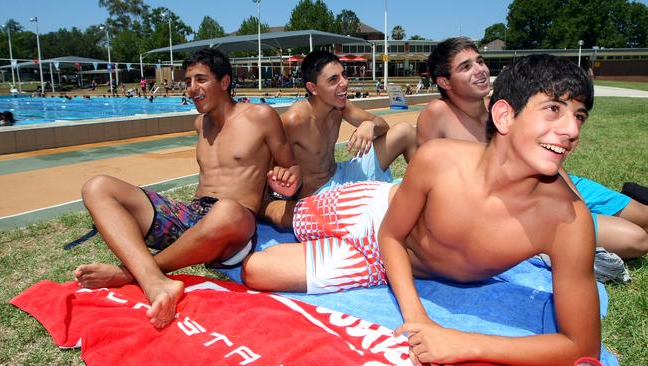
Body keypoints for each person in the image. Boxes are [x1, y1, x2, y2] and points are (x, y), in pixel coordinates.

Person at [243, 54, 601, 365]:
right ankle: (263, 205)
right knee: (288, 216)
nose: (571, 130)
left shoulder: (567, 221)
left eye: (579, 116)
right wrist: (419, 318)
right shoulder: (440, 159)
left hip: (380, 265)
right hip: (372, 212)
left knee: (258, 271)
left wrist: (463, 342)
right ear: (505, 116)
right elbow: (391, 233)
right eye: (554, 109)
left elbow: (581, 347)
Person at [73, 48, 301, 329]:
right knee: (97, 186)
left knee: (227, 209)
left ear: (225, 82)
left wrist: (285, 180)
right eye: (188, 81)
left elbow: (291, 167)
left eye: (201, 79)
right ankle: (155, 282)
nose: (192, 88)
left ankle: (130, 273)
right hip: (192, 217)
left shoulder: (260, 116)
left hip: (235, 224)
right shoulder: (200, 124)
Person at [417, 37, 648, 263]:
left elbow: (548, 152)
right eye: (466, 67)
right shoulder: (438, 113)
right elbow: (428, 182)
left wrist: (575, 201)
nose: (480, 70)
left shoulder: (501, 105)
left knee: (644, 218)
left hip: (554, 180)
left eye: (480, 61)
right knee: (637, 240)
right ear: (445, 82)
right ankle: (555, 250)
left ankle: (617, 203)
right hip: (520, 201)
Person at [259, 50, 416, 228]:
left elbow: (383, 125)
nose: (345, 82)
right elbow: (265, 167)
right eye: (333, 80)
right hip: (321, 193)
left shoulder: (340, 106)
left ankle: (425, 189)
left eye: (343, 75)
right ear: (313, 88)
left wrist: (370, 125)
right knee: (381, 205)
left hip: (342, 173)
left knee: (405, 132)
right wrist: (278, 192)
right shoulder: (294, 120)